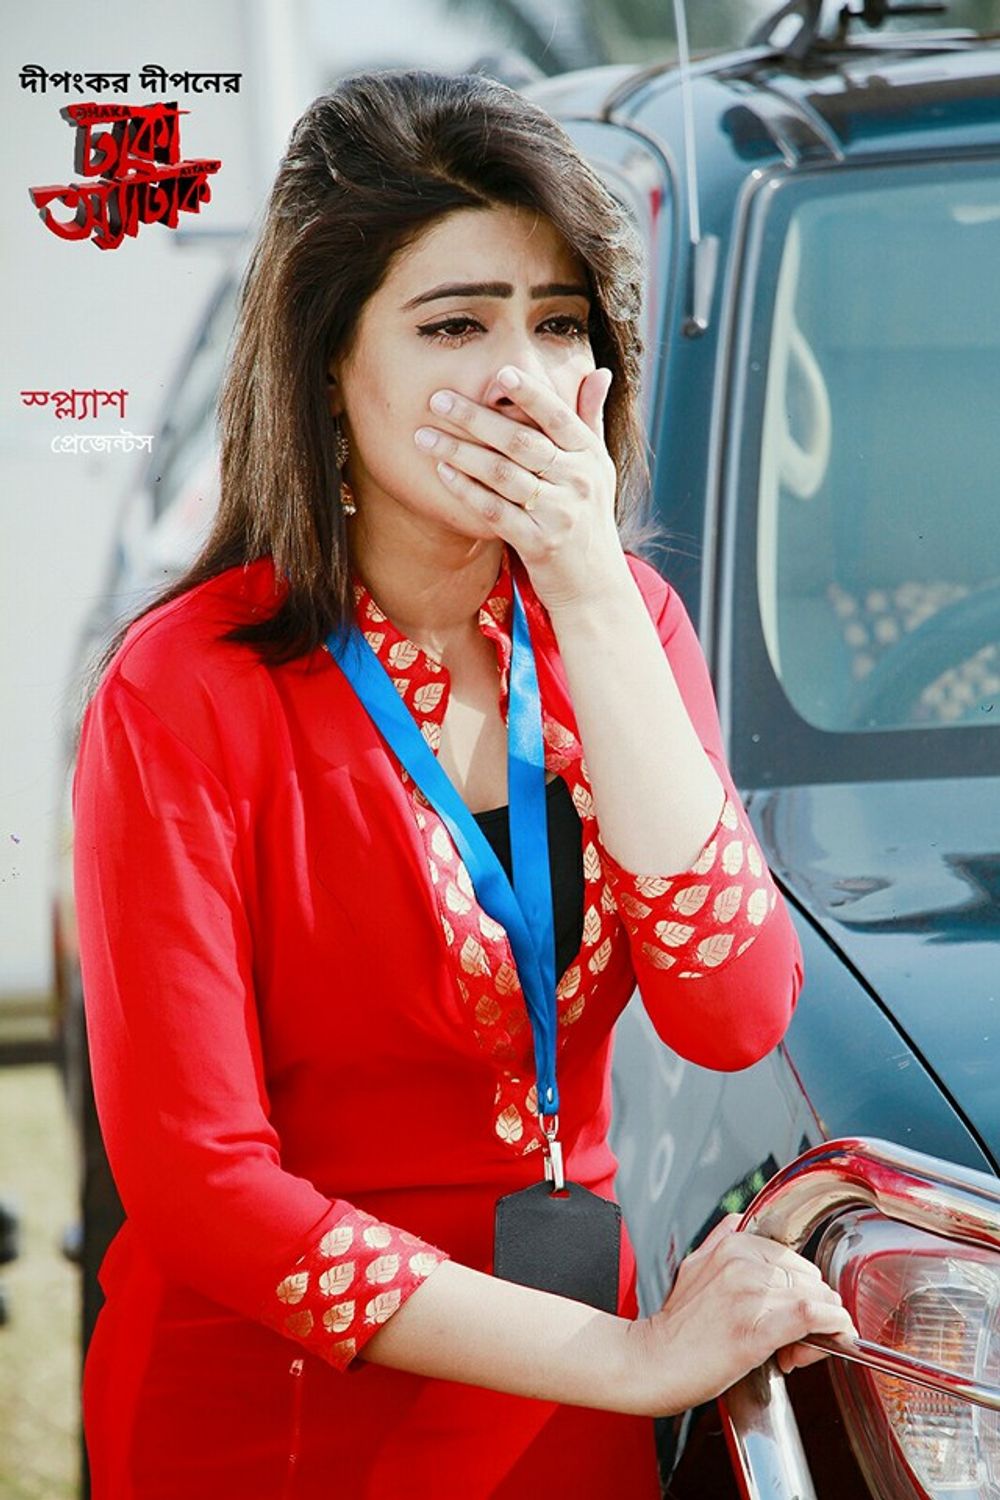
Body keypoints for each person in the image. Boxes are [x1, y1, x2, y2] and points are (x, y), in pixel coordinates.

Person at [73, 69, 855, 1499]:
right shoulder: (185, 687)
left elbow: (735, 1011)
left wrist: (592, 591)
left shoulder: (627, 628)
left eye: (557, 323)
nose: (519, 377)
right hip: (277, 1421)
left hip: (568, 1421)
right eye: (453, 325)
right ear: (329, 365)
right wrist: (629, 1358)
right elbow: (201, 1187)